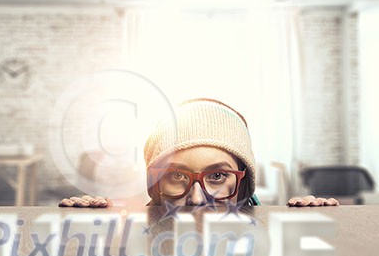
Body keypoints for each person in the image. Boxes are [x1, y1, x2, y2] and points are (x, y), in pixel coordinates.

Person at [59, 98, 339, 208]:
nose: (196, 198)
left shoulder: (269, 239)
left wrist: (316, 223)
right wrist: (92, 227)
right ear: (155, 184)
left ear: (242, 183)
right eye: (176, 175)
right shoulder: (134, 236)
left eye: (217, 175)